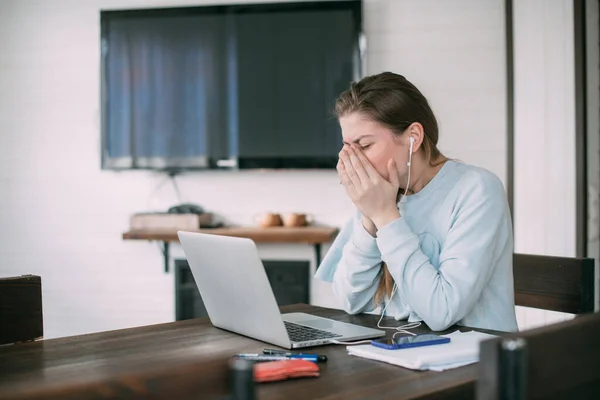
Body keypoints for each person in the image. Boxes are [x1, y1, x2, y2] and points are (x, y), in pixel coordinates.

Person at [316, 71, 518, 332]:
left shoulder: (477, 189)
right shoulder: (383, 193)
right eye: (347, 147)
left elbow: (441, 312)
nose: (353, 161)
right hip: (406, 355)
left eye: (364, 145)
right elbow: (350, 301)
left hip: (475, 360)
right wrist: (369, 219)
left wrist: (385, 216)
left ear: (413, 137)